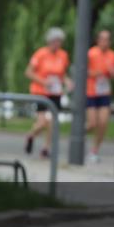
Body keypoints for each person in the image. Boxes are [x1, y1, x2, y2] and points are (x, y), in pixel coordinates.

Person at [24, 27, 71, 159]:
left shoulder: (63, 55)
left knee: (52, 122)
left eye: (60, 41)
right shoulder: (40, 54)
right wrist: (44, 82)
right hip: (41, 92)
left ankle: (46, 148)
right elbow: (28, 72)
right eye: (55, 41)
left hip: (56, 93)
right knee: (42, 122)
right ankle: (31, 135)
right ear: (50, 41)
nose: (58, 44)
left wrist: (67, 81)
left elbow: (63, 74)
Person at [84, 29, 114, 163]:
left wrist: (112, 73)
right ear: (98, 40)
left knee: (103, 123)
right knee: (92, 123)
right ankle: (79, 136)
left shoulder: (113, 55)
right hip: (92, 91)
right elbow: (83, 71)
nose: (104, 42)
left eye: (107, 39)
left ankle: (94, 150)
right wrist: (95, 73)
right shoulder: (91, 53)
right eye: (102, 39)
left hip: (104, 92)